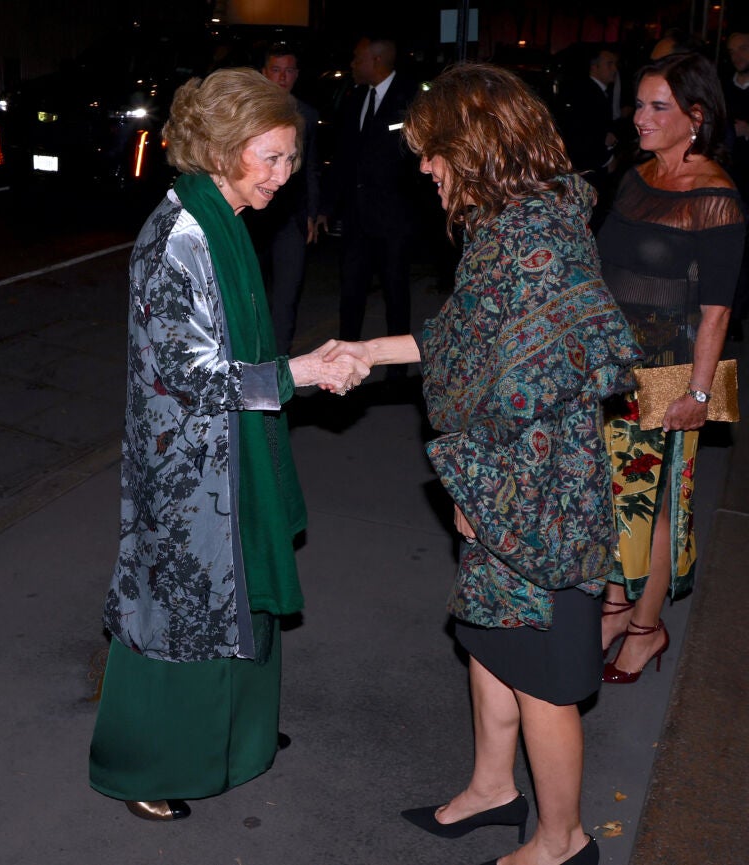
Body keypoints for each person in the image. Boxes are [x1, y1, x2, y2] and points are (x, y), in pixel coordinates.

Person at [324, 63, 642, 865]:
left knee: (540, 671)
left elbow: (540, 381)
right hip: (506, 486)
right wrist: (367, 349)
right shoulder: (509, 226)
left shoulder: (534, 243)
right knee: (492, 639)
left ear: (477, 145)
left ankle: (563, 838)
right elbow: (465, 341)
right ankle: (493, 788)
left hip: (536, 499)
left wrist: (478, 490)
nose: (425, 166)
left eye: (434, 152)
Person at [88, 68, 369, 821]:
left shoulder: (222, 217)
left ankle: (239, 738)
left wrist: (294, 372)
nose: (285, 175)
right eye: (270, 158)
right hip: (186, 473)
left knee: (242, 599)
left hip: (226, 457)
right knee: (180, 615)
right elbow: (189, 377)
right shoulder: (177, 236)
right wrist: (300, 372)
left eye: (290, 159)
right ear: (220, 149)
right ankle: (143, 765)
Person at [596, 52, 746, 683]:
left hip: (669, 374)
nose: (641, 117)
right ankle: (613, 601)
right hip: (612, 368)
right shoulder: (635, 176)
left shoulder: (716, 197)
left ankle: (644, 628)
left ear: (696, 116)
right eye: (638, 104)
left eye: (658, 107)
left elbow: (717, 313)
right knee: (610, 496)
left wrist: (699, 393)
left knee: (654, 510)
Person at [316, 35, 420, 359]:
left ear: (376, 60)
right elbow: (344, 158)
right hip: (356, 220)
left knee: (395, 295)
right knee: (351, 294)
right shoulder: (355, 97)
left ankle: (397, 370)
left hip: (393, 222)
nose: (352, 64)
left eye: (357, 58)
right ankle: (345, 362)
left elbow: (415, 161)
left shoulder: (411, 98)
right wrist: (326, 207)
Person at [243, 43, 321, 355]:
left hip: (290, 219)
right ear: (265, 73)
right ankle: (248, 358)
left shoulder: (307, 115)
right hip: (252, 218)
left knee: (286, 299)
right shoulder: (248, 115)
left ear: (296, 74)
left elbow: (312, 168)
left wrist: (313, 213)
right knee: (249, 294)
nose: (282, 76)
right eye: (276, 69)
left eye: (288, 70)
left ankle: (277, 368)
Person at [560, 43, 621, 226]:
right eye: (609, 64)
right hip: (590, 169)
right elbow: (584, 135)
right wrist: (607, 159)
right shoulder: (588, 93)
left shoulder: (598, 92)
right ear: (595, 67)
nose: (614, 69)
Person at [724, 30, 749, 340]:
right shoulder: (724, 89)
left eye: (743, 48)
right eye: (732, 51)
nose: (738, 56)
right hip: (730, 183)